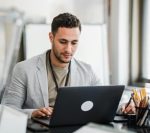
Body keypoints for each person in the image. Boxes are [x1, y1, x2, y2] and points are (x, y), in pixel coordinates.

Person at [1, 12, 135, 118]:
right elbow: (7, 110)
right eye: (63, 42)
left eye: (74, 42)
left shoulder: (87, 71)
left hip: (73, 132)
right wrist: (33, 113)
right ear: (51, 37)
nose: (68, 49)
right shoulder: (23, 69)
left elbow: (106, 100)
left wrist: (124, 106)